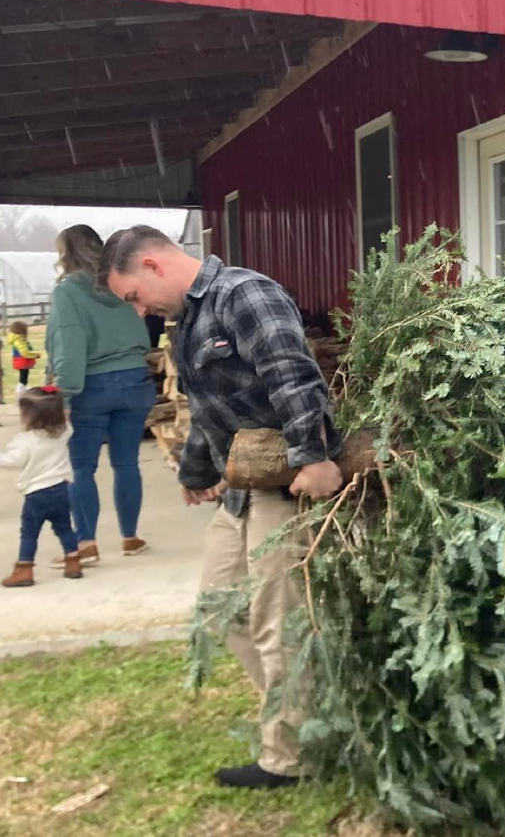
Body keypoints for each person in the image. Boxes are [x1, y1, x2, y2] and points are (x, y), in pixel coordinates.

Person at [98, 224, 344, 790]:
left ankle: (295, 756)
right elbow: (212, 408)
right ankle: (308, 720)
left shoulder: (244, 295)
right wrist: (196, 472)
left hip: (285, 485)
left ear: (155, 266)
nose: (138, 311)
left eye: (133, 295)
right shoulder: (187, 325)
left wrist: (313, 456)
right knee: (220, 608)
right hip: (238, 488)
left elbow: (293, 375)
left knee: (277, 621)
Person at [46, 224, 155, 568]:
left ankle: (86, 544)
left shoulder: (68, 291)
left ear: (65, 254)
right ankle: (131, 538)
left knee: (81, 468)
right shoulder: (118, 281)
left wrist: (64, 397)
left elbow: (71, 346)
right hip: (136, 380)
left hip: (91, 386)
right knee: (126, 463)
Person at [2, 386, 83, 587]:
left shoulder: (26, 441)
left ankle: (24, 569)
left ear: (29, 416)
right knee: (64, 527)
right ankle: (73, 562)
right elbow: (67, 423)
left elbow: (13, 460)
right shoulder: (64, 431)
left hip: (36, 493)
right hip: (61, 489)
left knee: (29, 532)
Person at [6, 320, 40, 400]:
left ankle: (23, 388)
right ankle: (21, 392)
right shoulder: (19, 340)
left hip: (20, 361)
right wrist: (35, 355)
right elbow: (24, 352)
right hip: (22, 361)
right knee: (23, 378)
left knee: (24, 376)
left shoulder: (17, 339)